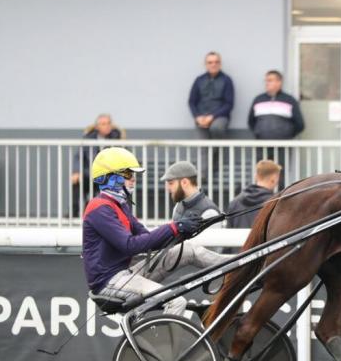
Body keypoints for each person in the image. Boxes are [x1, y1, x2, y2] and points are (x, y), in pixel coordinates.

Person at [82, 147, 225, 315]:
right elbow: (130, 246)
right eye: (129, 175)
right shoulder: (100, 209)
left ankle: (236, 266)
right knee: (176, 301)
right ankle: (166, 342)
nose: (133, 180)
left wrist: (181, 231)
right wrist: (174, 227)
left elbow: (145, 237)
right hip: (110, 282)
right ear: (111, 178)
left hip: (126, 274)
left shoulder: (120, 205)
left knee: (187, 250)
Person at [70, 114, 124, 215]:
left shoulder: (117, 138)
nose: (107, 126)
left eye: (109, 123)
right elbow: (78, 156)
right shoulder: (89, 139)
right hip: (89, 174)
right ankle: (74, 212)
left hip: (108, 175)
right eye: (103, 124)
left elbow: (122, 156)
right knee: (77, 182)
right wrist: (76, 171)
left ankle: (107, 214)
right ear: (97, 127)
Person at [188, 51, 235, 139]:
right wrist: (197, 116)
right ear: (205, 64)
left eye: (216, 62)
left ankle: (217, 152)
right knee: (203, 147)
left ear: (220, 64)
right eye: (210, 62)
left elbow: (229, 104)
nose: (213, 65)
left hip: (220, 117)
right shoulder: (199, 80)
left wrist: (212, 116)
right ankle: (208, 153)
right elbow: (191, 101)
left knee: (216, 128)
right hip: (201, 117)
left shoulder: (227, 80)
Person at [248, 70, 304, 140]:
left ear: (279, 82)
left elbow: (300, 124)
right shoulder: (258, 99)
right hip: (261, 144)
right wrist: (258, 133)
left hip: (283, 146)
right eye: (266, 81)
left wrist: (288, 135)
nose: (267, 83)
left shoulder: (289, 100)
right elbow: (251, 121)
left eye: (270, 80)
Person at [226, 160, 281, 229]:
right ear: (274, 178)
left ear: (256, 176)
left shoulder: (235, 203)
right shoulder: (276, 204)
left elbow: (228, 232)